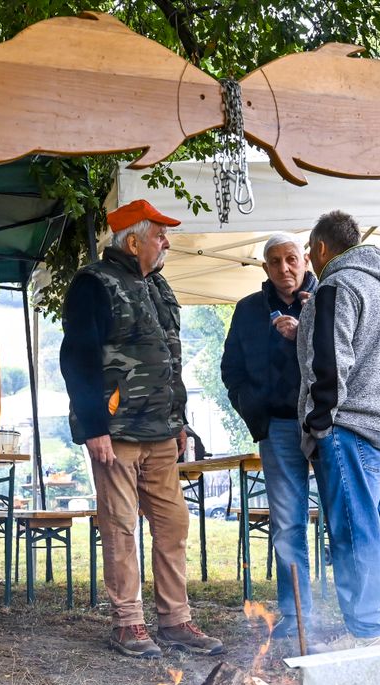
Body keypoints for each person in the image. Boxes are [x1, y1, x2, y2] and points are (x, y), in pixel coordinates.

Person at [60, 199, 224, 659]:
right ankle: (128, 623)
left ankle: (175, 621)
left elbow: (170, 359)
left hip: (161, 432)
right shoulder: (94, 283)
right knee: (120, 528)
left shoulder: (160, 287)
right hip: (116, 431)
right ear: (133, 241)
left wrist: (180, 422)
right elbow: (77, 358)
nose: (167, 242)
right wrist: (94, 427)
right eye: (159, 235)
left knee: (172, 523)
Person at [297, 210, 380, 651]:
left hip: (350, 426)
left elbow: (331, 363)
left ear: (323, 249)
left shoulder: (336, 285)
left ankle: (365, 634)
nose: (309, 261)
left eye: (309, 252)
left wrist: (317, 425)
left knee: (354, 530)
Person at [221, 233, 319, 640]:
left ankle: (356, 613)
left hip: (327, 425)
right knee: (287, 525)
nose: (285, 268)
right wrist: (252, 409)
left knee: (342, 519)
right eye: (275, 261)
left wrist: (306, 332)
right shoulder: (248, 310)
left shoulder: (327, 299)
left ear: (306, 260)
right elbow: (231, 369)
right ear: (265, 267)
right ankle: (297, 615)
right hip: (277, 427)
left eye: (291, 259)